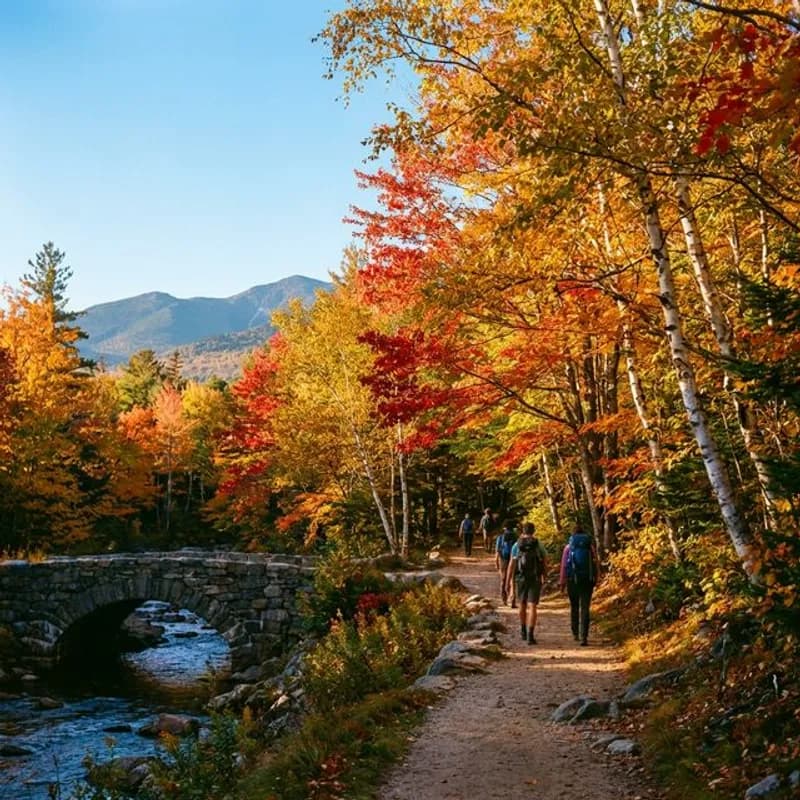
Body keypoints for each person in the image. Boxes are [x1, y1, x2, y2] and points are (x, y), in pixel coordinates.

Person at [559, 522, 601, 646]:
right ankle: (584, 636)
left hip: (573, 580)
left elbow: (564, 566)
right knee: (585, 607)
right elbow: (595, 563)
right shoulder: (589, 547)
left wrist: (562, 582)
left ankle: (575, 633)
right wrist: (597, 577)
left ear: (573, 535)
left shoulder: (568, 547)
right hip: (587, 579)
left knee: (574, 606)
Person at [506, 521, 547, 644]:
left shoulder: (517, 545)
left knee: (522, 605)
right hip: (534, 578)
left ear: (523, 531)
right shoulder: (538, 543)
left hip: (521, 578)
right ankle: (530, 635)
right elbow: (545, 560)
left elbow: (511, 564)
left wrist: (508, 582)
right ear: (533, 531)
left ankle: (523, 630)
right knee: (533, 606)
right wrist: (545, 575)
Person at [494, 520, 517, 605]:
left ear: (504, 527)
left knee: (503, 579)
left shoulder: (501, 537)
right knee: (512, 579)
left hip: (503, 559)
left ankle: (504, 598)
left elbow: (497, 551)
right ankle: (513, 598)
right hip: (514, 559)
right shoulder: (516, 536)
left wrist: (496, 562)